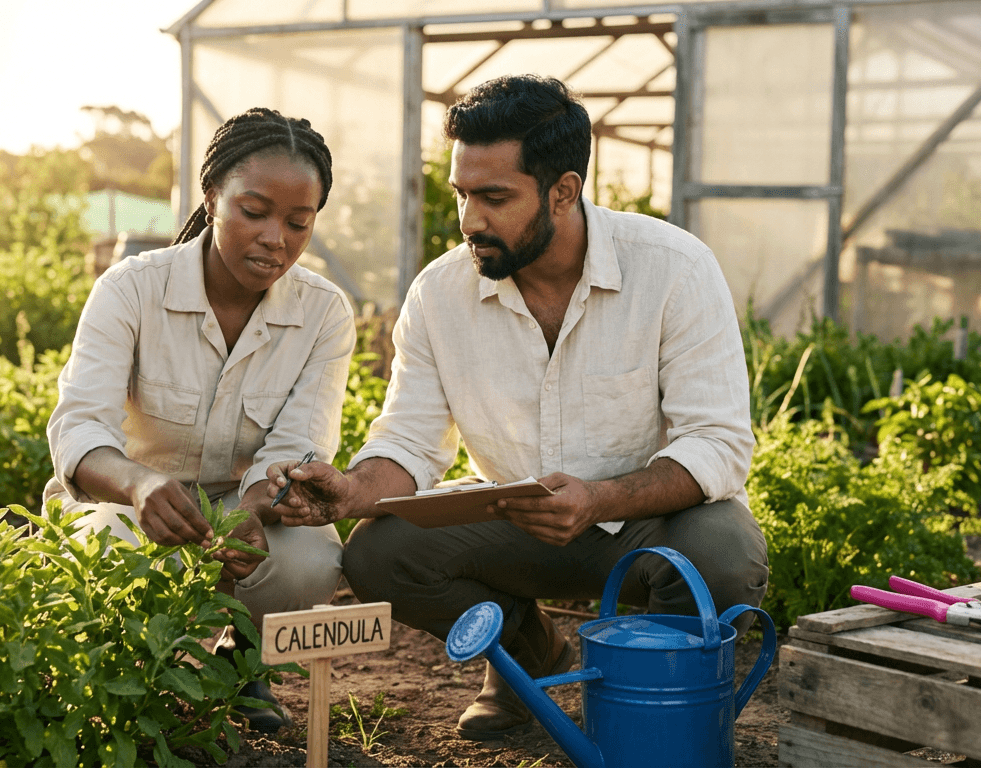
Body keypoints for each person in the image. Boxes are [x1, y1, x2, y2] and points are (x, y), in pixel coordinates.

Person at [266, 75, 768, 740]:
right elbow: (412, 442)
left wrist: (597, 498)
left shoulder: (673, 270)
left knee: (725, 553)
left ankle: (642, 701)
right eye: (462, 194)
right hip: (517, 521)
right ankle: (527, 664)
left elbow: (718, 441)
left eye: (495, 197)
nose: (471, 219)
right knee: (380, 555)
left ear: (564, 191)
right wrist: (350, 491)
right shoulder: (441, 294)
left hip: (646, 525)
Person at [44, 107, 355, 733]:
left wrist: (256, 507)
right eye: (254, 211)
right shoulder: (131, 290)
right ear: (212, 197)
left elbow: (299, 444)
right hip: (130, 506)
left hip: (244, 507)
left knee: (311, 562)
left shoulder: (323, 313)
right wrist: (139, 483)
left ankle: (241, 662)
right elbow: (80, 428)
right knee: (106, 544)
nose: (277, 238)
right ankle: (129, 678)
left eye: (299, 222)